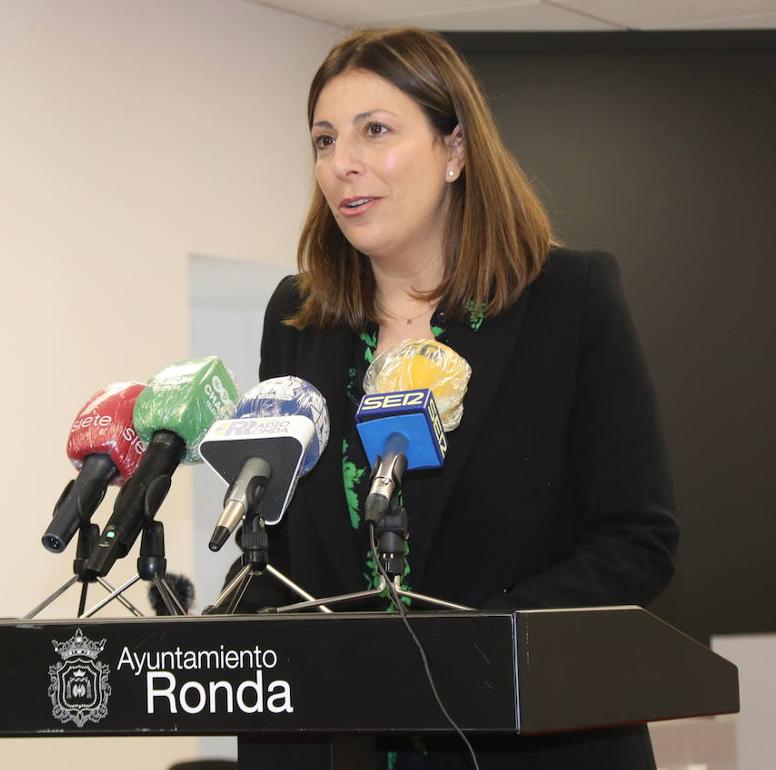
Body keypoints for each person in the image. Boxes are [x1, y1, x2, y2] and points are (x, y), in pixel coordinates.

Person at [240, 27, 679, 770]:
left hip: (526, 741)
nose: (342, 163)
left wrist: (480, 646)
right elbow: (278, 546)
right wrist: (225, 633)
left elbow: (636, 539)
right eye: (324, 140)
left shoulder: (568, 301)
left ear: (454, 149)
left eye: (376, 131)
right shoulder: (299, 319)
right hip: (339, 743)